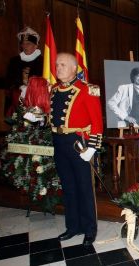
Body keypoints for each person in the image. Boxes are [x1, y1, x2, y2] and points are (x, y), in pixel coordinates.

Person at [50, 53, 103, 246]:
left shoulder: (87, 90)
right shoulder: (54, 90)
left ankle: (89, 229)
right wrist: (38, 118)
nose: (58, 68)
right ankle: (73, 227)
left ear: (74, 68)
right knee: (69, 187)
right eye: (57, 65)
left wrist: (92, 147)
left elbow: (97, 122)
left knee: (84, 187)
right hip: (59, 142)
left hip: (78, 143)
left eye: (63, 65)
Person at [5, 27, 43, 117]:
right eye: (23, 44)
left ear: (36, 45)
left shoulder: (43, 61)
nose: (25, 46)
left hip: (36, 99)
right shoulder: (14, 61)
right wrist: (19, 87)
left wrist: (30, 88)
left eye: (28, 44)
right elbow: (9, 80)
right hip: (16, 100)